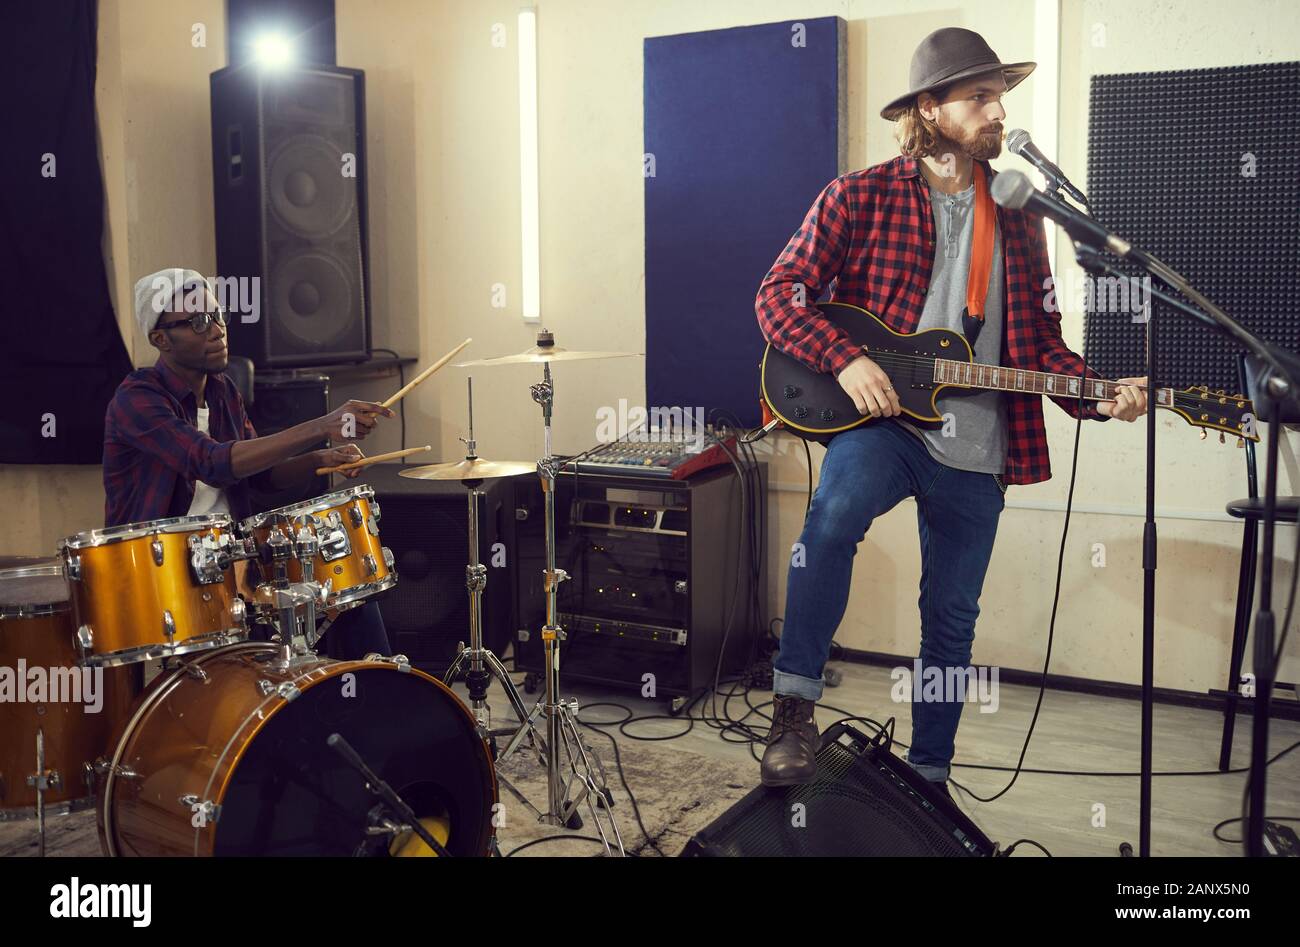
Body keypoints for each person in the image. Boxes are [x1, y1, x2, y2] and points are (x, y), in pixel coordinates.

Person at [754, 29, 1149, 794]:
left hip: (980, 442)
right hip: (886, 424)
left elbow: (1041, 347)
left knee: (953, 615)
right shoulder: (860, 194)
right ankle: (793, 713)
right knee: (831, 518)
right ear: (930, 109)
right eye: (980, 96)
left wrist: (1103, 396)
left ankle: (929, 775)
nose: (999, 109)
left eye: (1001, 94)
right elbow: (779, 294)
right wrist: (847, 357)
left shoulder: (1022, 217)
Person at [102, 267, 396, 659]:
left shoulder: (223, 391)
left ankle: (374, 704)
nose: (217, 329)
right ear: (161, 339)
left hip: (234, 564)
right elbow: (212, 463)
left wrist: (322, 458)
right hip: (163, 578)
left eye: (218, 315)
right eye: (198, 321)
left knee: (349, 591)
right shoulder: (137, 399)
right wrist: (323, 425)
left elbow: (256, 476)